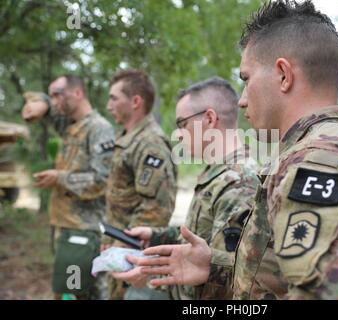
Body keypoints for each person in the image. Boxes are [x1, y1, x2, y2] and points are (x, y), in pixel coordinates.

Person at [127, 0, 338, 300]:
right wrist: (215, 267)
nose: (242, 100)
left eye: (246, 79)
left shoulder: (318, 163)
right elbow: (280, 279)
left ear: (283, 74)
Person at [111, 77, 259, 299]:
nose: (178, 134)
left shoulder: (239, 183)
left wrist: (152, 278)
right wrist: (155, 236)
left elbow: (230, 277)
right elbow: (203, 237)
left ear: (209, 119)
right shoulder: (218, 173)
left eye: (182, 124)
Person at [21, 75, 115, 299]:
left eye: (57, 95)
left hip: (84, 229)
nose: (53, 102)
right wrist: (42, 102)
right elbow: (45, 109)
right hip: (67, 227)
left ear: (78, 93)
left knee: (74, 292)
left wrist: (59, 178)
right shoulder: (70, 125)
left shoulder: (99, 128)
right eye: (51, 96)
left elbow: (101, 181)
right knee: (70, 291)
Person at [102, 69, 177, 300]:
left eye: (114, 98)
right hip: (117, 249)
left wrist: (120, 248)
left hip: (130, 256)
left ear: (135, 101)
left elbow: (156, 209)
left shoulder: (150, 143)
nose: (108, 105)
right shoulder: (126, 138)